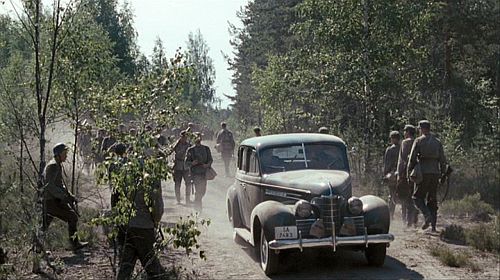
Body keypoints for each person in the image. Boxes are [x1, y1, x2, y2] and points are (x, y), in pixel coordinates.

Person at [116, 173, 164, 279]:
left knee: (125, 268)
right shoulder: (152, 174)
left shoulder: (125, 169)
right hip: (143, 227)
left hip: (126, 226)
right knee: (153, 269)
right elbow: (157, 207)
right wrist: (156, 221)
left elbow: (115, 198)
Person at [43, 143, 88, 251]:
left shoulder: (56, 164)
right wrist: (63, 196)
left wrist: (69, 196)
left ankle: (38, 248)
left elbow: (59, 184)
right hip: (51, 201)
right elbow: (50, 186)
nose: (66, 156)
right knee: (72, 217)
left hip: (53, 200)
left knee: (44, 225)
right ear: (58, 154)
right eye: (64, 153)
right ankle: (75, 244)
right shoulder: (53, 166)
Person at [407, 120, 447, 232]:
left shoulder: (419, 141)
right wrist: (443, 174)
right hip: (435, 172)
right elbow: (443, 160)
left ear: (422, 129)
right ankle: (433, 226)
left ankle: (427, 215)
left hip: (423, 172)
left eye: (419, 129)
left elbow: (412, 158)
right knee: (432, 199)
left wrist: (409, 172)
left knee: (417, 197)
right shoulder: (437, 142)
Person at [396, 125, 419, 227]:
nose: (404, 133)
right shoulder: (417, 141)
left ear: (408, 132)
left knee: (405, 197)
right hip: (418, 172)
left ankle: (407, 221)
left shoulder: (405, 142)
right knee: (415, 195)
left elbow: (402, 160)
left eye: (405, 131)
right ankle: (414, 218)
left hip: (406, 172)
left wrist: (399, 174)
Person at [185, 133, 213, 210]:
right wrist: (192, 163)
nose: (198, 139)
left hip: (204, 173)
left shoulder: (206, 149)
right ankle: (198, 207)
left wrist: (207, 165)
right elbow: (186, 163)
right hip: (195, 174)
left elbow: (210, 160)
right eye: (196, 137)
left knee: (203, 191)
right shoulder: (191, 150)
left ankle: (197, 202)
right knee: (198, 191)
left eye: (199, 137)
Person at [383, 130, 401, 220]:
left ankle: (391, 215)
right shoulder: (403, 147)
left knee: (392, 195)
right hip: (402, 174)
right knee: (404, 196)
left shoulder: (390, 150)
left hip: (392, 175)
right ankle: (406, 218)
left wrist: (385, 174)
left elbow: (387, 164)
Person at [171, 130, 192, 204]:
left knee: (188, 183)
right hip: (178, 166)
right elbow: (175, 151)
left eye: (185, 137)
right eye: (183, 137)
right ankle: (178, 200)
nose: (184, 138)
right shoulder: (177, 144)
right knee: (177, 184)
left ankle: (188, 199)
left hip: (186, 166)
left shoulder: (189, 145)